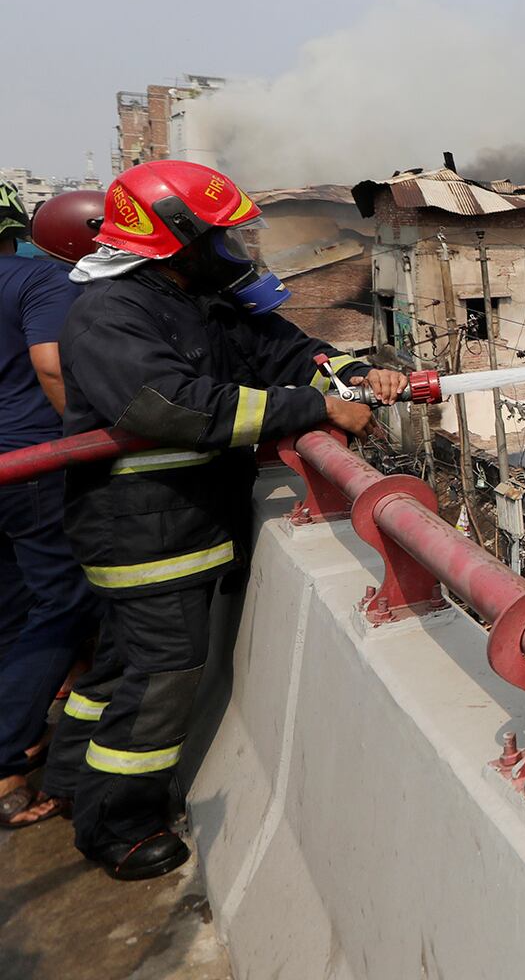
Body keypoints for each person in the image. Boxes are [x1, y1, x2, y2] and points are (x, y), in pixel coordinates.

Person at [39, 160, 404, 880]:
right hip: (144, 533)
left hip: (184, 524)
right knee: (161, 674)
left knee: (120, 664)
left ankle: (71, 781)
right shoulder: (114, 312)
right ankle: (119, 826)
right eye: (218, 236)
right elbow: (171, 406)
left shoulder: (198, 299)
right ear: (175, 237)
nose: (234, 250)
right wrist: (317, 408)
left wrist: (350, 374)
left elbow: (285, 353)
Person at [0, 181, 90, 828]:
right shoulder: (35, 282)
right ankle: (7, 748)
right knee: (66, 600)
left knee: (13, 606)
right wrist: (85, 441)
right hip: (32, 468)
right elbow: (52, 366)